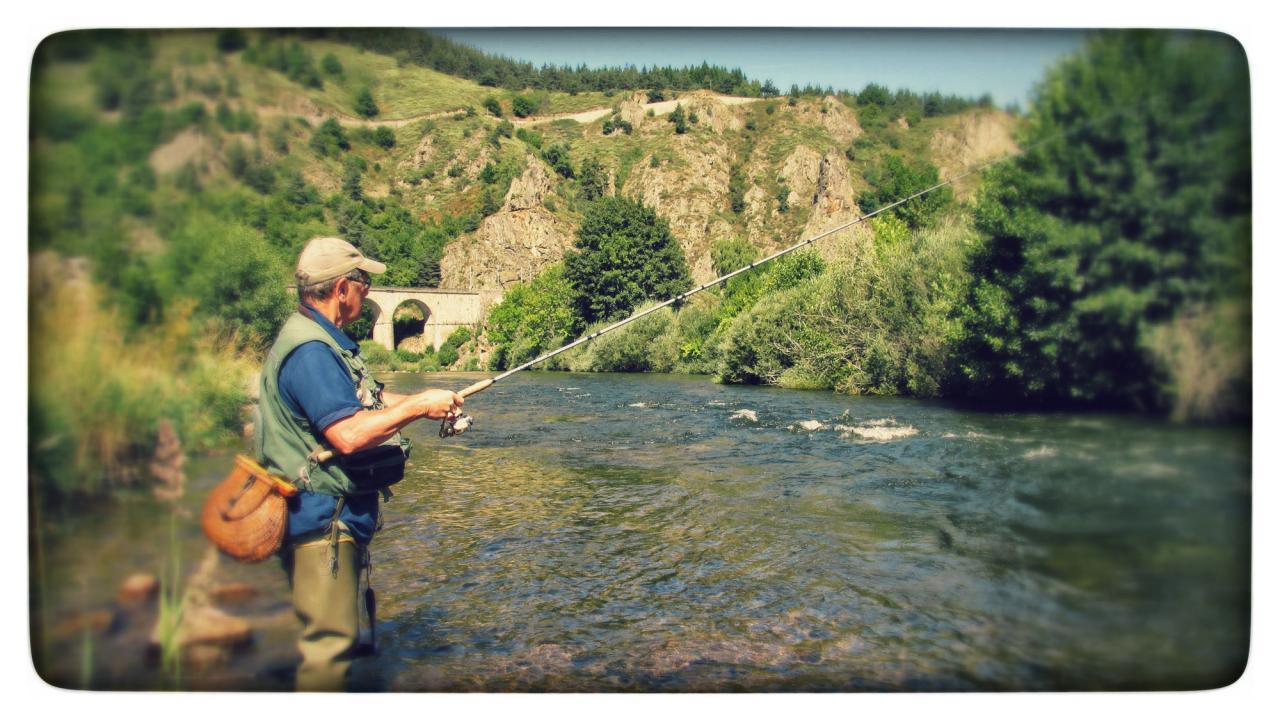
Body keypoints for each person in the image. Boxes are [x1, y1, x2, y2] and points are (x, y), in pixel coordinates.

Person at [255, 236, 463, 691]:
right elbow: (348, 435)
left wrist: (426, 403)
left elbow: (368, 397)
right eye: (363, 281)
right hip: (320, 522)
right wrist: (415, 408)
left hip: (329, 518)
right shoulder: (310, 352)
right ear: (341, 288)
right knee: (329, 647)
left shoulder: (325, 341)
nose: (367, 289)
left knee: (337, 639)